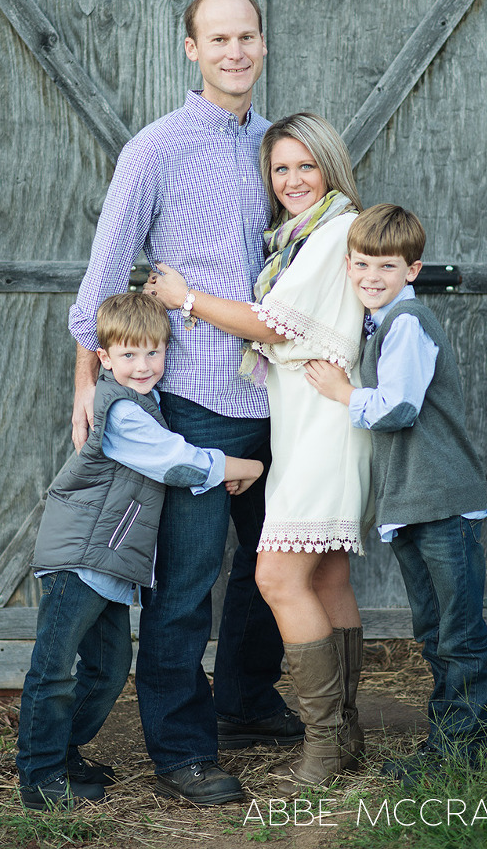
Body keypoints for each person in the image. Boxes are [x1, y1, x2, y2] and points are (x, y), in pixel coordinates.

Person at [68, 0, 301, 807]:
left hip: (280, 394)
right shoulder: (155, 150)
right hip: (198, 396)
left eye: (247, 37)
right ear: (192, 49)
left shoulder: (278, 148)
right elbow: (104, 276)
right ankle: (181, 750)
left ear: (262, 44)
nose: (235, 52)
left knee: (274, 565)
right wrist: (86, 379)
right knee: (186, 583)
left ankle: (245, 699)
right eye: (219, 39)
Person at [145, 112, 373, 794]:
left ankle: (324, 751)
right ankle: (347, 736)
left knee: (277, 576)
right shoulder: (304, 236)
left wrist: (185, 298)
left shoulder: (332, 233)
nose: (293, 180)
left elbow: (270, 324)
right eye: (281, 169)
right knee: (327, 577)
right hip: (308, 424)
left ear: (331, 168)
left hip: (322, 430)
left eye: (307, 166)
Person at [17, 293, 264, 810]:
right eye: (128, 354)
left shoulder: (145, 403)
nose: (143, 365)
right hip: (79, 559)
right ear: (103, 357)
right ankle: (40, 776)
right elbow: (176, 462)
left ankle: (62, 753)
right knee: (53, 668)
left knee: (107, 670)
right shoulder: (121, 409)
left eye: (154, 352)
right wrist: (249, 467)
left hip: (108, 565)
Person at [305, 203, 487, 787]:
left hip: (441, 501)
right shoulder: (377, 323)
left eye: (386, 266)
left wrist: (341, 391)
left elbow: (399, 407)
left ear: (412, 270)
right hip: (413, 503)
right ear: (348, 265)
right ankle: (447, 747)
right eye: (362, 264)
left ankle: (460, 756)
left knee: (458, 634)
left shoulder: (407, 321)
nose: (371, 276)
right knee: (434, 632)